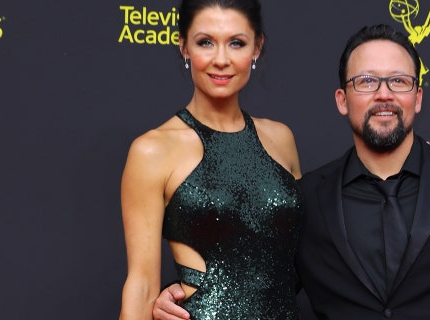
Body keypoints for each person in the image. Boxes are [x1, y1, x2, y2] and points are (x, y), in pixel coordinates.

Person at [154, 24, 430, 319]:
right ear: (343, 99)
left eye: (399, 81)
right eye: (367, 81)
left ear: (417, 97)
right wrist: (186, 297)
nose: (383, 94)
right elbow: (257, 291)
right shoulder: (306, 199)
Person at [118, 0, 303, 319]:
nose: (221, 59)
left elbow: (308, 257)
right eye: (205, 42)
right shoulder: (152, 151)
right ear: (184, 47)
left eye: (236, 43)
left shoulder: (281, 139)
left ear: (256, 48)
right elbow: (142, 285)